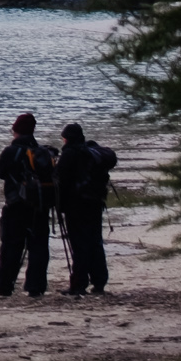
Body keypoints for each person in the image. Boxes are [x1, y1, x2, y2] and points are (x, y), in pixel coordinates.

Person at [0, 112, 56, 300]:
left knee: (12, 245)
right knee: (39, 245)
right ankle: (36, 287)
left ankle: (4, 286)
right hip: (40, 205)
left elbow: (1, 173)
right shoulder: (43, 152)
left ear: (16, 130)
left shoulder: (11, 151)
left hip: (16, 204)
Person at [58, 122, 119, 296]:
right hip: (95, 202)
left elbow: (61, 181)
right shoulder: (91, 153)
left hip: (76, 205)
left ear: (67, 138)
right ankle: (99, 282)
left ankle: (78, 284)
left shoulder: (70, 154)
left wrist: (60, 206)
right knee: (95, 242)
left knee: (79, 245)